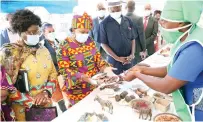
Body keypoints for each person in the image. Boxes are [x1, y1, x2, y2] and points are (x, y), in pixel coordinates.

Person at [123, 0, 203, 121]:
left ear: (180, 23)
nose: (161, 24)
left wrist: (137, 74)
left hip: (197, 109)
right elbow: (173, 70)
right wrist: (144, 70)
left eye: (165, 21)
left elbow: (166, 86)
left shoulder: (194, 48)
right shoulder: (188, 35)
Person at [0, 9, 58, 121]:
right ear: (20, 32)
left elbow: (53, 74)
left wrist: (46, 93)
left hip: (45, 106)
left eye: (36, 32)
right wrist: (32, 101)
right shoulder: (10, 53)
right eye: (30, 32)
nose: (34, 35)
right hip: (21, 111)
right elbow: (4, 86)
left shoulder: (44, 50)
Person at [57, 12, 112, 106]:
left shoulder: (89, 41)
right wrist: (85, 78)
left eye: (87, 32)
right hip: (77, 91)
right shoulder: (64, 45)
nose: (85, 35)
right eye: (82, 32)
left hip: (94, 87)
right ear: (74, 29)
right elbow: (64, 70)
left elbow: (98, 59)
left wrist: (105, 68)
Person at [99, 0, 137, 75]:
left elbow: (132, 38)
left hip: (129, 60)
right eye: (113, 10)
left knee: (130, 80)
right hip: (114, 62)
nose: (116, 12)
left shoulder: (128, 20)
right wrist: (117, 58)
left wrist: (132, 54)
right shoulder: (104, 24)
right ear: (109, 9)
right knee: (116, 83)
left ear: (121, 8)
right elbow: (103, 44)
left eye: (118, 10)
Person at [41, 23, 67, 112]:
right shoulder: (43, 46)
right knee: (59, 98)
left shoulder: (58, 41)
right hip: (53, 75)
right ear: (44, 33)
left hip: (63, 74)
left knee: (66, 94)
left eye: (53, 31)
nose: (52, 33)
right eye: (49, 31)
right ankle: (65, 112)